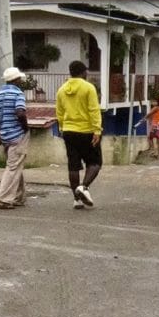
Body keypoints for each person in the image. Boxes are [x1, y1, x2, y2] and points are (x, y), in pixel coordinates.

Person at [55, 60, 102, 209]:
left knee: (73, 166)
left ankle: (77, 200)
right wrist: (97, 130)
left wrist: (62, 127)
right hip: (86, 130)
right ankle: (84, 187)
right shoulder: (88, 88)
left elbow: (59, 111)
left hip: (68, 131)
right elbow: (94, 110)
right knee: (95, 163)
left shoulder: (62, 89)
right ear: (83, 72)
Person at [0, 66, 29, 210]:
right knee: (13, 167)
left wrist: (1, 123)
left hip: (5, 135)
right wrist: (25, 127)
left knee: (16, 165)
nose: (21, 82)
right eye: (20, 79)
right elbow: (20, 113)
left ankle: (18, 197)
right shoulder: (18, 94)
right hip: (17, 134)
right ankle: (2, 199)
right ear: (16, 80)